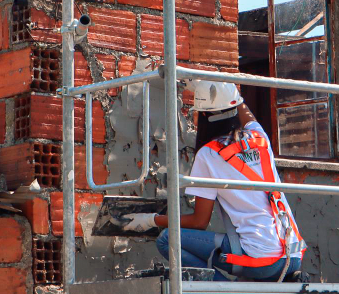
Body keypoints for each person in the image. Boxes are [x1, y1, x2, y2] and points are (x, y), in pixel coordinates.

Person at [122, 80, 305, 282]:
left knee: (167, 239)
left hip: (261, 260)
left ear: (205, 115)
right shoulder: (260, 138)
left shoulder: (208, 154)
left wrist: (151, 220)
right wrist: (218, 90)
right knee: (245, 258)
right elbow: (244, 110)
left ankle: (227, 292)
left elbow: (199, 222)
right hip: (293, 255)